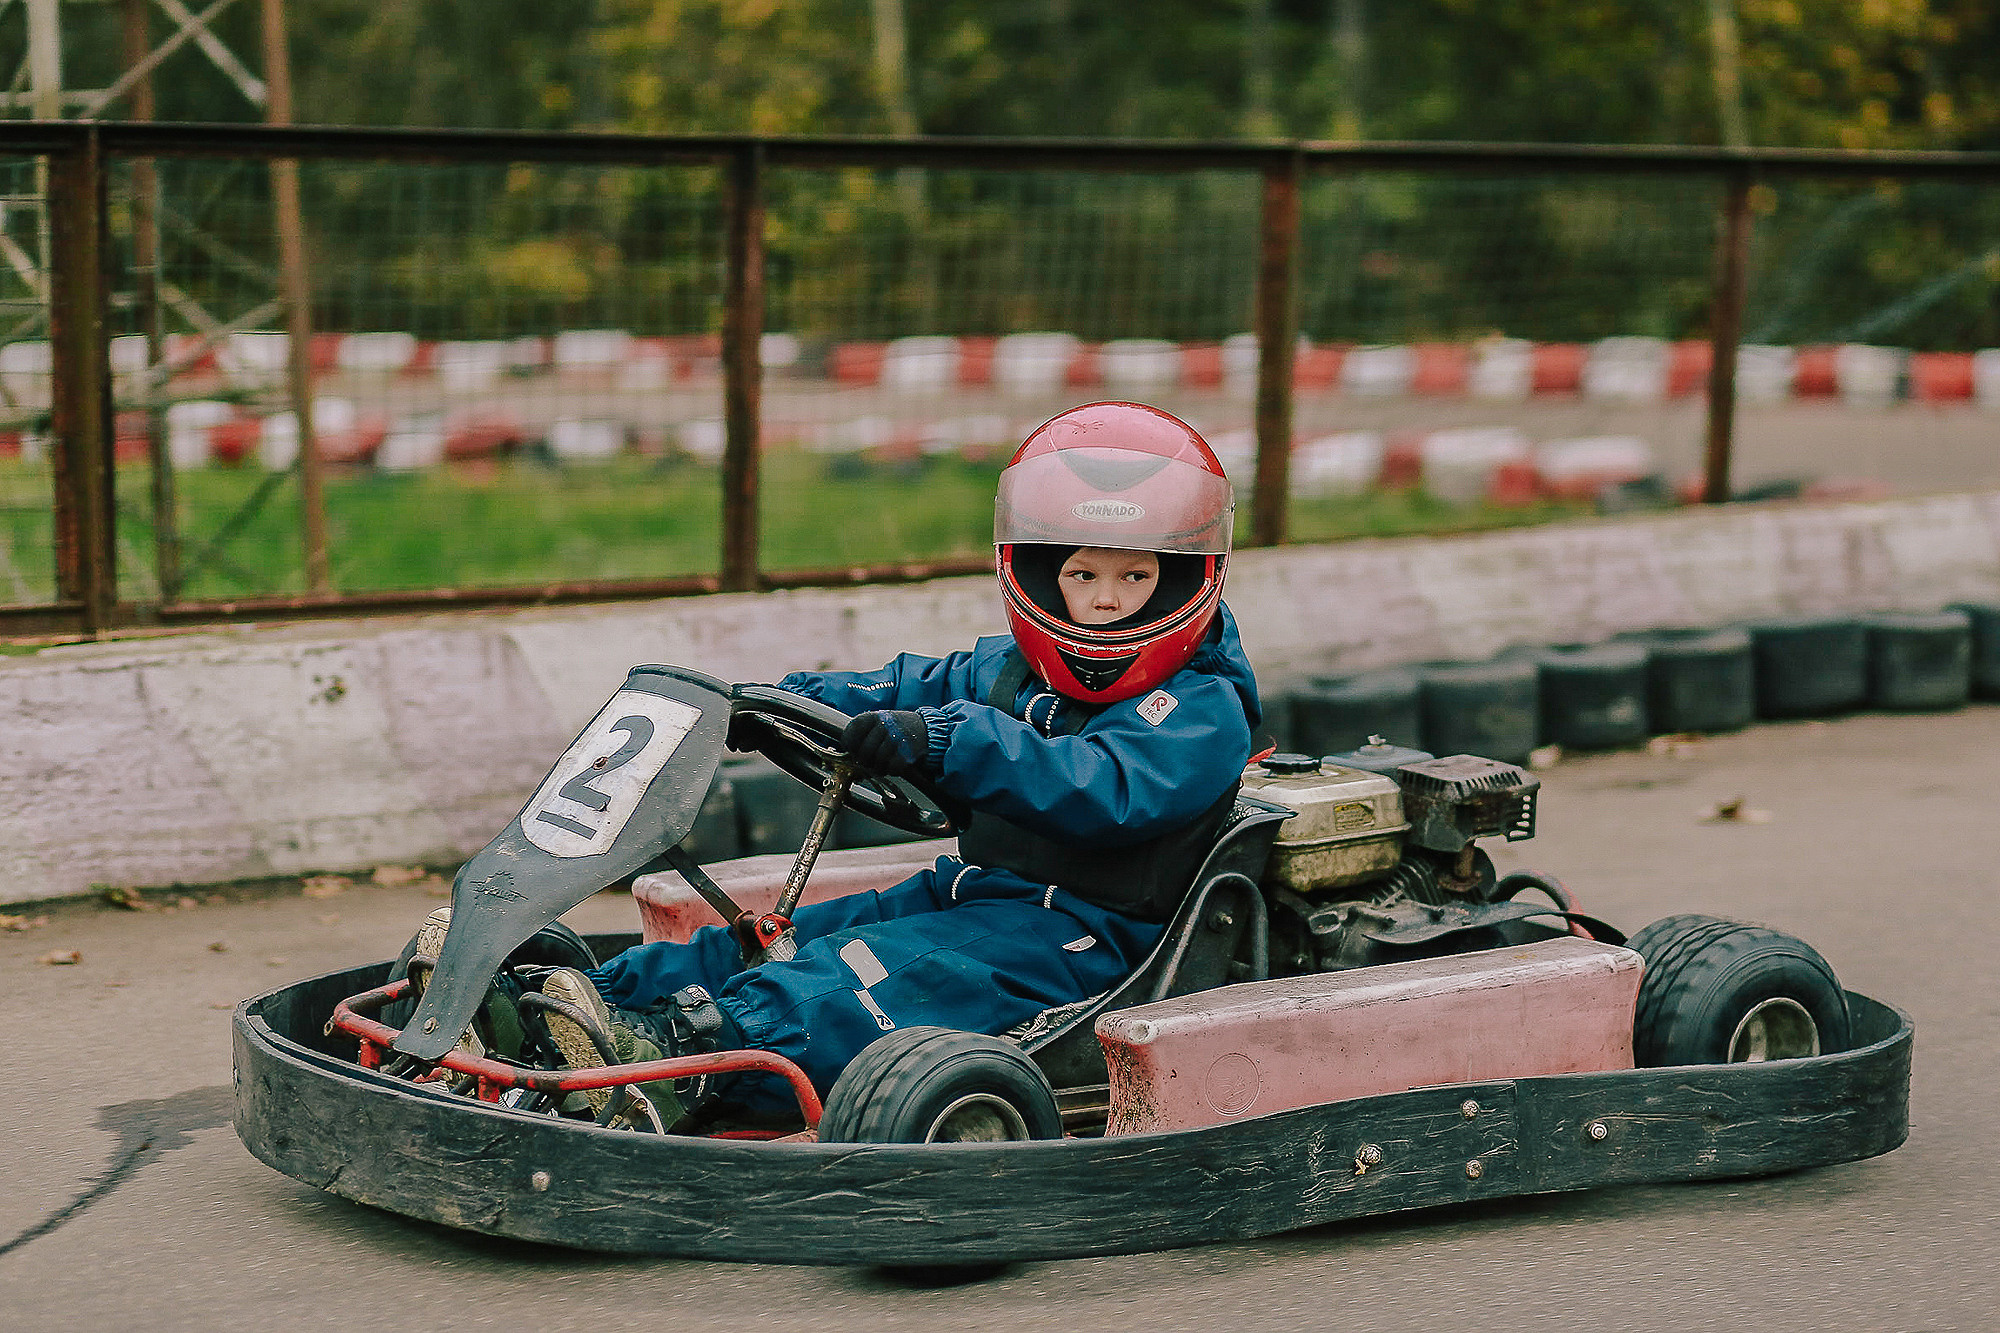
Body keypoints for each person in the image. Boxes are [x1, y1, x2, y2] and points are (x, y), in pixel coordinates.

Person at [409, 401, 1260, 1130]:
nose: (1106, 599)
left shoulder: (1199, 709)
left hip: (1087, 941)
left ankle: (676, 1061)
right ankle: (568, 1001)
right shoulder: (1008, 670)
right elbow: (900, 686)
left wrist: (946, 741)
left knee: (854, 977)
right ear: (1040, 572)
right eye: (1082, 573)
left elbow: (1102, 790)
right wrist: (774, 700)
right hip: (977, 894)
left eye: (1134, 575)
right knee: (794, 937)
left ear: (1184, 578)